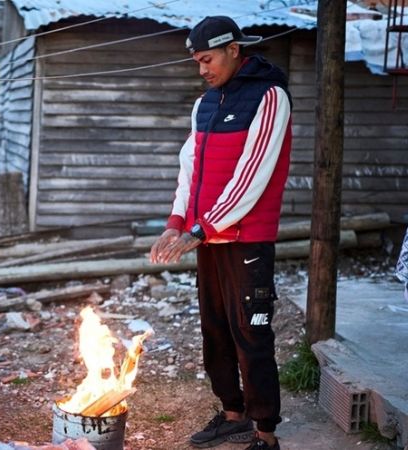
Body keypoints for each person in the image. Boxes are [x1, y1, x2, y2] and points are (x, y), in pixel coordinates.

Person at [149, 16, 292, 450]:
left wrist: (201, 227)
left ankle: (265, 433)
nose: (202, 70)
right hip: (207, 239)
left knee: (252, 333)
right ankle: (233, 414)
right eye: (197, 62)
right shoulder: (205, 104)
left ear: (234, 49)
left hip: (246, 240)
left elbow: (252, 177)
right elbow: (189, 172)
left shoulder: (270, 98)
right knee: (215, 329)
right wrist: (177, 224)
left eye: (207, 59)